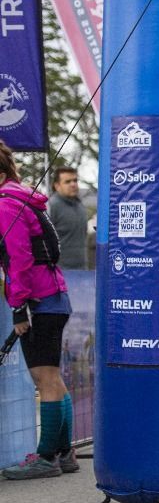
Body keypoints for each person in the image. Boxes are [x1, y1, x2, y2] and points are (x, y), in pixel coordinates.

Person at [0, 142, 77, 479]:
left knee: (43, 378)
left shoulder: (5, 205)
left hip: (38, 301)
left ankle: (46, 458)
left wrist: (18, 308)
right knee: (53, 377)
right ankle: (65, 452)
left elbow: (19, 258)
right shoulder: (24, 198)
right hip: (54, 297)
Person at [46, 167, 88, 270]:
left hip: (82, 269)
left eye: (75, 180)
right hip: (59, 272)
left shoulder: (80, 205)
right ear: (57, 185)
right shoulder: (51, 206)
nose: (73, 184)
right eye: (67, 182)